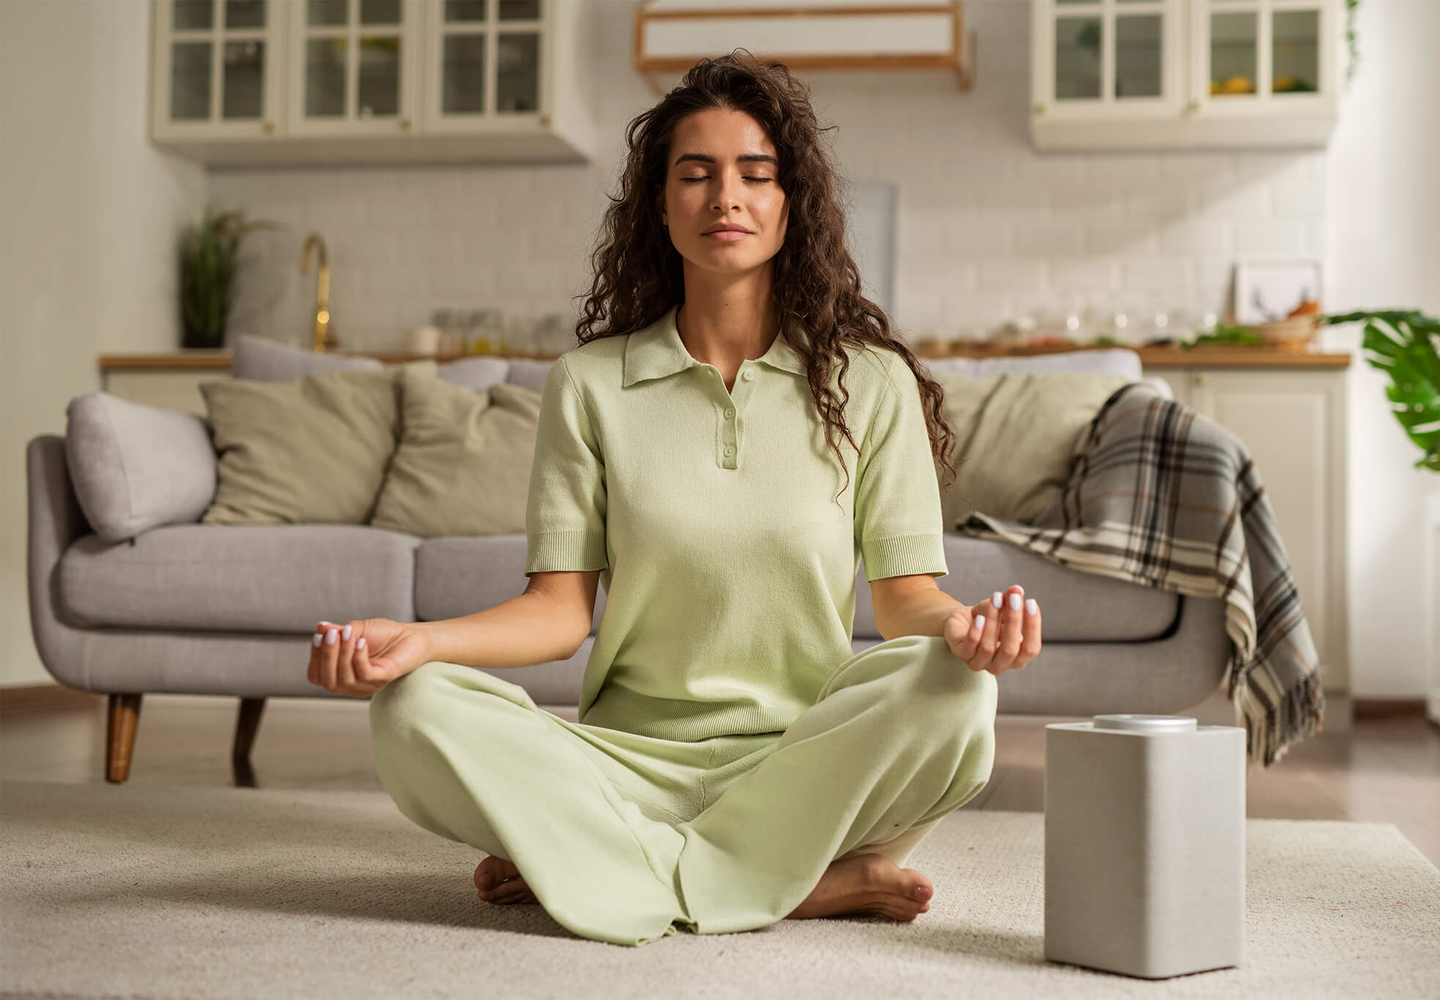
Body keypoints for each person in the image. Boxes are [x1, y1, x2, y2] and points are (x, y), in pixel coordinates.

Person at [305, 51, 1043, 947]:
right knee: (414, 709)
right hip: (623, 761)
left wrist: (968, 632)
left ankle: (589, 862)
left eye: (754, 175)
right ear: (659, 206)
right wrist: (420, 643)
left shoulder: (870, 384)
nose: (724, 197)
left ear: (790, 202)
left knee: (958, 694)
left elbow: (906, 604)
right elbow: (557, 612)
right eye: (694, 174)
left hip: (804, 762)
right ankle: (788, 881)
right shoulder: (587, 384)